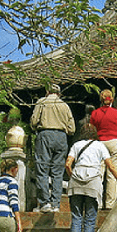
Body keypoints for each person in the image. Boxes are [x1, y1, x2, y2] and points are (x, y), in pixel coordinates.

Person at [30, 83, 75, 212]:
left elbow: (34, 122)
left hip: (45, 135)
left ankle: (45, 203)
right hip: (61, 137)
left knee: (42, 170)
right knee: (58, 172)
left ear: (47, 92)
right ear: (59, 94)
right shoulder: (64, 106)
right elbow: (72, 128)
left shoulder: (42, 102)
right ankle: (56, 204)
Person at [90, 89, 117, 209]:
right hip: (114, 142)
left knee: (99, 174)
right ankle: (110, 204)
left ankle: (98, 202)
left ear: (101, 100)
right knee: (113, 174)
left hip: (100, 143)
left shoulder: (95, 113)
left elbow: (91, 130)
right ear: (112, 99)